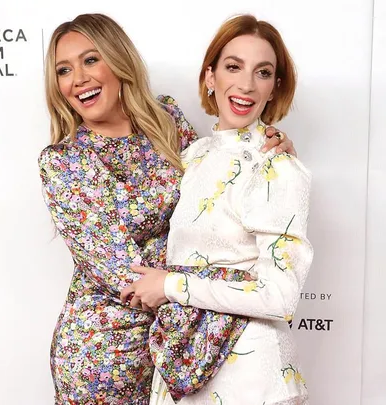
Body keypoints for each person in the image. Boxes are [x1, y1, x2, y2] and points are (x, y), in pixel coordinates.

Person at [38, 13, 297, 405]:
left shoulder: (167, 119)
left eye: (91, 60)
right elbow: (129, 279)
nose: (78, 79)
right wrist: (234, 287)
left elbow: (212, 191)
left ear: (117, 58)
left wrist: (267, 146)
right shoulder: (65, 161)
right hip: (107, 352)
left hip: (177, 343)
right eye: (63, 70)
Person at [121, 14, 313, 405]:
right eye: (233, 67)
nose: (245, 85)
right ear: (210, 77)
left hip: (250, 381)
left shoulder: (278, 165)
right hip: (185, 366)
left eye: (262, 72)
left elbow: (280, 296)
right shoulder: (194, 155)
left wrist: (170, 286)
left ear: (274, 88)